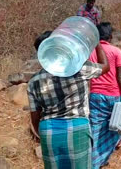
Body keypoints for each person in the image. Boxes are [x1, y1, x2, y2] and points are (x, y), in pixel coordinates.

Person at [27, 31, 110, 169]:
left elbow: (35, 116)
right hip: (77, 126)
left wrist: (40, 134)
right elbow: (105, 66)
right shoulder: (78, 69)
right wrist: (96, 43)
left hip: (49, 130)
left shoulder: (34, 81)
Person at [88, 22, 121, 168]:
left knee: (95, 130)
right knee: (114, 129)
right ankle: (102, 159)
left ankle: (95, 161)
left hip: (94, 96)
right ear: (111, 36)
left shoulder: (90, 52)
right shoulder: (116, 51)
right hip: (113, 95)